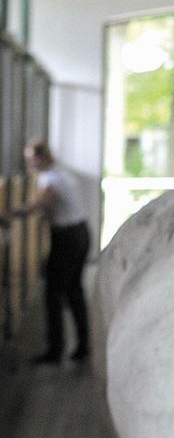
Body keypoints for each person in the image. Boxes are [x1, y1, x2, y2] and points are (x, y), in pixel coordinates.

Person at [0, 140, 92, 364]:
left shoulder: (51, 178)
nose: (30, 165)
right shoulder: (62, 173)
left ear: (44, 157)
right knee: (74, 290)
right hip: (80, 232)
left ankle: (55, 350)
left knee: (54, 293)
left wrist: (11, 214)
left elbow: (41, 203)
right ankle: (82, 346)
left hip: (67, 237)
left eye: (32, 160)